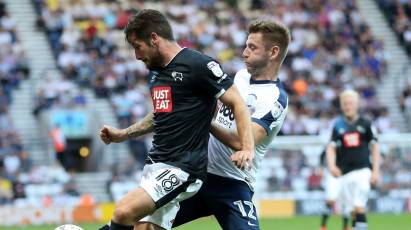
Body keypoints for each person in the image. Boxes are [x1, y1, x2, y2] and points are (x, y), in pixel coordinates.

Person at [98, 9, 254, 230]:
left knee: (124, 211)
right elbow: (161, 115)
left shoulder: (199, 65)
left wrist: (247, 148)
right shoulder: (158, 73)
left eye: (137, 46)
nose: (136, 56)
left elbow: (238, 102)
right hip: (155, 164)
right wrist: (123, 134)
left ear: (154, 38)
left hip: (183, 168)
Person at [172, 19, 290, 230]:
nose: (244, 52)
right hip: (198, 172)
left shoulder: (275, 100)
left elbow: (241, 141)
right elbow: (219, 112)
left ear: (273, 52)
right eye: (246, 45)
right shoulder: (242, 76)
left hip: (232, 183)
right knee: (140, 218)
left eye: (252, 47)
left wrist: (203, 117)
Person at [327, 89, 380, 230]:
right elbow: (331, 147)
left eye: (350, 103)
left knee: (359, 205)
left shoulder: (366, 123)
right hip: (344, 174)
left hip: (363, 171)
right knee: (353, 211)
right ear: (342, 106)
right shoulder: (337, 125)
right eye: (345, 103)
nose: (348, 106)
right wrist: (332, 166)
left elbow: (375, 146)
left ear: (356, 105)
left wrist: (375, 171)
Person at [319, 149, 350, 230]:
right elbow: (323, 153)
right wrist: (321, 167)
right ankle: (323, 226)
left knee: (346, 201)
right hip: (333, 175)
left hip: (346, 175)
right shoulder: (336, 140)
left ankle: (346, 226)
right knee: (330, 199)